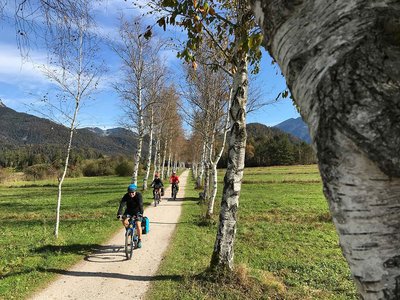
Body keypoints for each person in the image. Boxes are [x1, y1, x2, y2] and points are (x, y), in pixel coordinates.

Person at [117, 183, 143, 248]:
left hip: (137, 212)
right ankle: (128, 230)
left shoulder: (139, 195)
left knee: (138, 224)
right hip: (128, 211)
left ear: (135, 191)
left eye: (132, 192)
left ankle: (139, 240)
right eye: (129, 192)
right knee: (124, 220)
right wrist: (119, 214)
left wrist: (141, 213)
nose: (131, 194)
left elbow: (140, 205)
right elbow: (122, 205)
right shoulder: (126, 196)